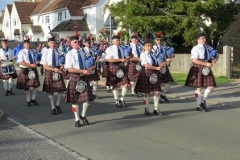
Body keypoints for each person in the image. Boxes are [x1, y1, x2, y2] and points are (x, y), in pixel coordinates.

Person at [64, 36, 95, 127]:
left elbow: (88, 63)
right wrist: (82, 71)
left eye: (78, 42)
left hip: (84, 77)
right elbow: (69, 69)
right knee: (75, 101)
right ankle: (77, 118)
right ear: (71, 44)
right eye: (75, 42)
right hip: (75, 77)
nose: (77, 44)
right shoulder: (69, 54)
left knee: (88, 99)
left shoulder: (84, 52)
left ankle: (83, 115)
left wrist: (90, 68)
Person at [185, 32, 219, 112]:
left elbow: (217, 55)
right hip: (198, 67)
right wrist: (206, 63)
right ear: (198, 40)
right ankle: (198, 105)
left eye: (204, 38)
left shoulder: (208, 48)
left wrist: (214, 60)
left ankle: (203, 100)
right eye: (202, 38)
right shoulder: (195, 48)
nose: (204, 39)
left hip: (206, 67)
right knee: (199, 87)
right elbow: (194, 60)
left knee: (211, 86)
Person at [135, 42, 165, 116]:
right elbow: (146, 65)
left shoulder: (154, 54)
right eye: (147, 46)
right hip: (147, 73)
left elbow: (157, 63)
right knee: (147, 92)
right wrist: (157, 68)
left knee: (157, 91)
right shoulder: (143, 55)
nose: (149, 47)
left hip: (155, 73)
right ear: (144, 47)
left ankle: (156, 109)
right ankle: (146, 108)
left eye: (150, 45)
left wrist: (161, 65)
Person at [40, 37, 66, 115]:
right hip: (50, 70)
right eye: (51, 43)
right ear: (48, 44)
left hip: (58, 70)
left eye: (54, 43)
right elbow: (44, 66)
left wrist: (62, 66)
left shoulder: (60, 51)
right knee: (51, 92)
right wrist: (53, 69)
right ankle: (53, 107)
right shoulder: (46, 52)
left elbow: (64, 61)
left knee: (61, 89)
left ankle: (57, 104)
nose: (53, 44)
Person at [105, 35, 129, 108]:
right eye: (117, 40)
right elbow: (109, 60)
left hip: (121, 66)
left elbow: (124, 57)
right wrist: (120, 60)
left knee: (126, 83)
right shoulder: (109, 49)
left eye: (119, 40)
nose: (119, 41)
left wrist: (126, 58)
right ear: (113, 41)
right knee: (115, 85)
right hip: (113, 67)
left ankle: (122, 98)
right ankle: (116, 101)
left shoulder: (121, 49)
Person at [16, 39, 40, 106]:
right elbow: (20, 62)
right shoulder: (21, 52)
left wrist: (37, 62)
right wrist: (30, 65)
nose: (28, 45)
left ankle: (33, 98)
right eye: (26, 44)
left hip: (33, 69)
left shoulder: (33, 51)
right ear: (24, 45)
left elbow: (37, 58)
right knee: (26, 86)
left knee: (36, 85)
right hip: (25, 70)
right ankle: (28, 100)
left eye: (29, 44)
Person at [152, 33, 174, 103]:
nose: (159, 41)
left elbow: (166, 55)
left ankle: (163, 94)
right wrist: (166, 60)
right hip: (157, 66)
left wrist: (171, 56)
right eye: (158, 40)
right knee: (159, 83)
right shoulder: (153, 48)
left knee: (169, 81)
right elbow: (154, 58)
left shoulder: (164, 47)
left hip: (164, 65)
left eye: (160, 40)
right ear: (155, 40)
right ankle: (157, 97)